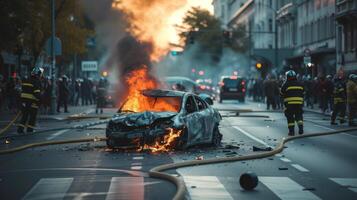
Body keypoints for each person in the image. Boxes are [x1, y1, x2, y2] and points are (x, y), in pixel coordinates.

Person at [17, 67, 43, 133]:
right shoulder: (36, 81)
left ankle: (20, 129)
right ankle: (30, 129)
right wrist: (40, 101)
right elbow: (37, 93)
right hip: (32, 102)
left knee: (24, 116)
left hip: (24, 102)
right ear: (38, 74)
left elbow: (22, 90)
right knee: (32, 117)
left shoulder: (26, 79)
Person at [280, 70, 304, 136]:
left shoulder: (286, 84)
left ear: (287, 77)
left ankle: (291, 132)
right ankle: (301, 128)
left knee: (290, 116)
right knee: (299, 115)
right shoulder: (300, 83)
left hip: (289, 104)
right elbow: (304, 92)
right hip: (299, 103)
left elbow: (281, 93)